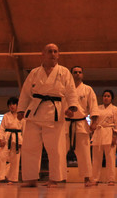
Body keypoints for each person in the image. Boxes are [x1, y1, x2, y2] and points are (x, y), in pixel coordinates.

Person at [18, 43, 80, 187]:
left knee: (55, 149)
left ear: (58, 55)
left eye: (55, 51)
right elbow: (25, 92)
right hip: (35, 112)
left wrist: (72, 107)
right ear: (43, 54)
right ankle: (31, 179)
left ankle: (54, 179)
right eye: (50, 51)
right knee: (30, 147)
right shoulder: (34, 73)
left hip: (55, 113)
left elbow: (71, 91)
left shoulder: (64, 72)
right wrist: (21, 109)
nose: (53, 54)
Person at [64, 66, 98, 187]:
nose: (77, 74)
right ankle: (57, 178)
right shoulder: (65, 89)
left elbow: (93, 106)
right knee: (60, 152)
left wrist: (94, 122)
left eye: (79, 72)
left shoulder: (88, 89)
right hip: (65, 124)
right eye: (75, 72)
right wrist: (64, 112)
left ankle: (87, 178)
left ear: (82, 74)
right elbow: (59, 105)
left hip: (81, 124)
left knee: (84, 153)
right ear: (71, 74)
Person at [92, 89, 117, 185]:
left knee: (110, 158)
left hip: (110, 133)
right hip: (98, 133)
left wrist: (114, 136)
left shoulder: (115, 109)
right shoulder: (97, 108)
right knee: (96, 158)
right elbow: (93, 122)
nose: (106, 98)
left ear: (111, 98)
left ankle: (111, 179)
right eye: (104, 96)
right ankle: (95, 179)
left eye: (108, 96)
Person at [0, 97, 22, 183]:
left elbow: (24, 130)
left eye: (13, 104)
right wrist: (0, 139)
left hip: (17, 138)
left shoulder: (21, 116)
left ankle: (12, 179)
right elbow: (2, 128)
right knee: (2, 158)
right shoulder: (6, 116)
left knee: (15, 159)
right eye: (10, 105)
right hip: (7, 137)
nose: (11, 106)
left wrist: (21, 141)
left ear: (17, 105)